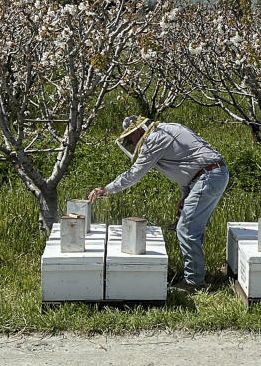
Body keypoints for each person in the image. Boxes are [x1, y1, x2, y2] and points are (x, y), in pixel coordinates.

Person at [88, 116, 229, 290]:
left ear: (137, 131)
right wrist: (185, 196)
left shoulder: (154, 139)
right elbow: (187, 165)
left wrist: (106, 189)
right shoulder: (168, 128)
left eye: (130, 138)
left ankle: (195, 282)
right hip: (214, 174)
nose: (130, 142)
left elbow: (135, 174)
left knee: (185, 229)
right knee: (192, 229)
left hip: (207, 176)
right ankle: (197, 275)